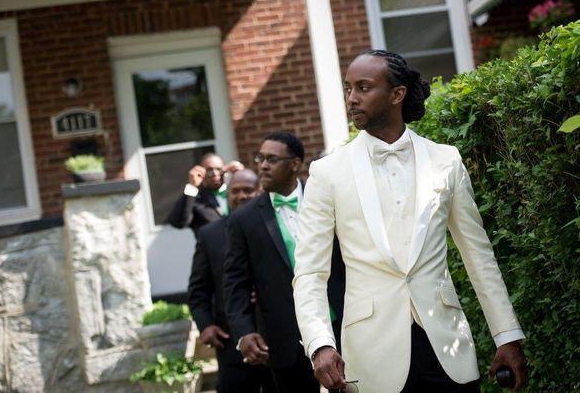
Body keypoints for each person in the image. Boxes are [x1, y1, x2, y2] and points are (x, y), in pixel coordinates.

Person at [293, 50, 528, 393]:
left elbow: (479, 256)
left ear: (397, 94)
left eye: (363, 87)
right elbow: (310, 273)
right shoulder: (327, 172)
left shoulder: (446, 160)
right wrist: (319, 344)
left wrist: (506, 335)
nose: (352, 99)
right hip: (371, 358)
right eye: (348, 89)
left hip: (448, 351)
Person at [223, 132, 345, 393]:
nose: (263, 165)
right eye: (260, 158)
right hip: (285, 338)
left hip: (343, 323)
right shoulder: (243, 220)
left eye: (272, 159)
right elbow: (235, 283)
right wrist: (244, 331)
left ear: (295, 164)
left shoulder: (327, 201)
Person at [188, 169, 275, 393]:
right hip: (231, 344)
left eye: (248, 190)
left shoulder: (275, 226)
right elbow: (198, 290)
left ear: (260, 191)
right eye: (235, 191)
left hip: (277, 338)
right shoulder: (209, 234)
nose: (241, 196)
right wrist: (205, 325)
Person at [167, 153, 244, 236]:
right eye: (209, 170)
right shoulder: (196, 199)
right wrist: (192, 186)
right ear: (201, 172)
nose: (215, 173)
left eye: (219, 169)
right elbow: (178, 222)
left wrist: (243, 177)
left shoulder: (237, 194)